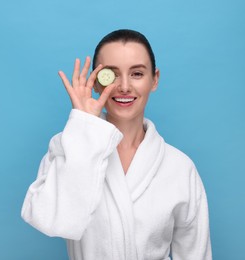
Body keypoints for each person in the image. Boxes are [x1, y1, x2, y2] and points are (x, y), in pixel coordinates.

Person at [21, 29, 212, 260]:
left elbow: (195, 255)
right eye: (111, 75)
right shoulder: (68, 147)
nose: (123, 86)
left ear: (155, 79)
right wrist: (84, 127)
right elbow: (52, 221)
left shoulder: (180, 168)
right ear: (96, 82)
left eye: (137, 74)